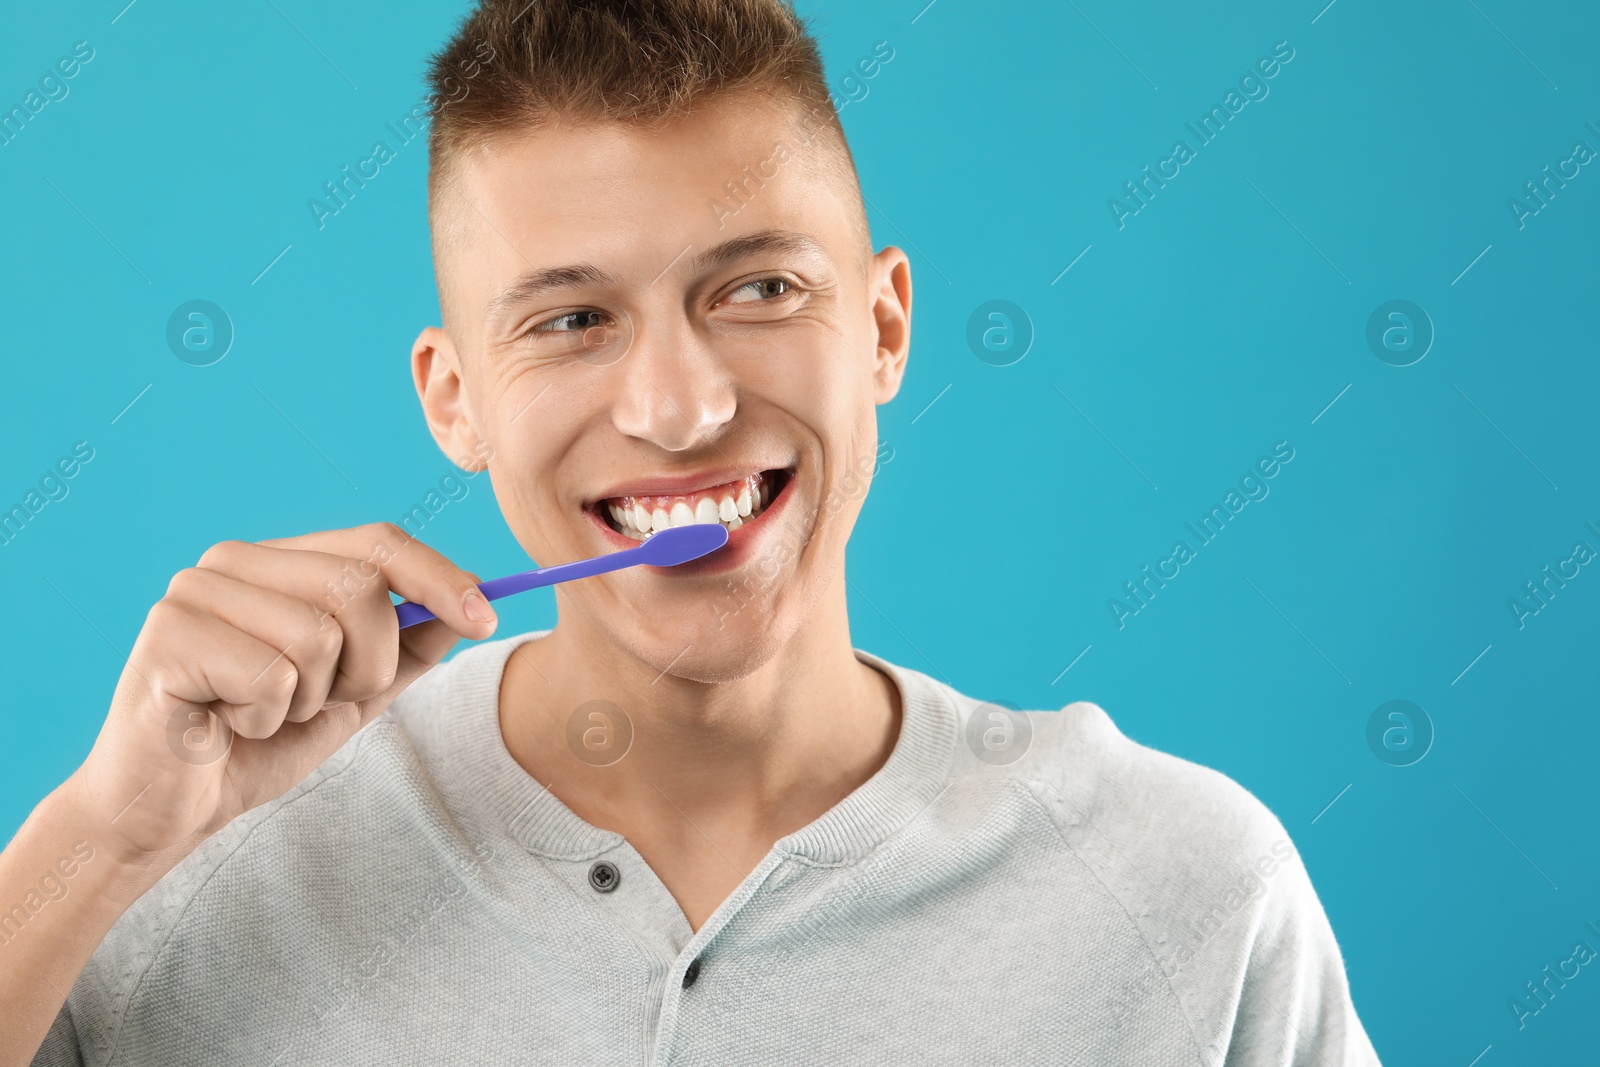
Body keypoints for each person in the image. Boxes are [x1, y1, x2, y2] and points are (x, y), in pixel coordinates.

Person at [1, 1, 1381, 1063]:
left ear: (885, 325)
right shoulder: (181, 868)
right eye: (571, 322)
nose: (681, 407)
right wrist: (99, 839)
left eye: (760, 288)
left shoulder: (1188, 892)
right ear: (455, 400)